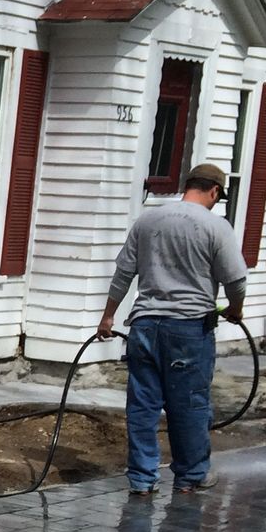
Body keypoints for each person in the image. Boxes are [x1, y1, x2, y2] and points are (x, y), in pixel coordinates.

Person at [97, 163, 247, 496]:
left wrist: (107, 317)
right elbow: (236, 281)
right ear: (214, 191)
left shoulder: (148, 220)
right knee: (189, 404)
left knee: (143, 406)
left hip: (144, 327)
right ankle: (190, 477)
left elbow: (123, 274)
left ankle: (142, 479)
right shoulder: (216, 226)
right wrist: (235, 309)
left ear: (188, 185)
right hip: (188, 330)